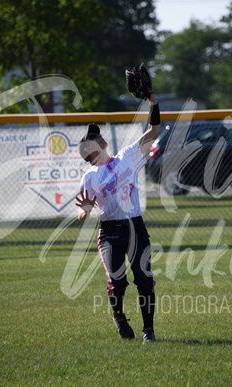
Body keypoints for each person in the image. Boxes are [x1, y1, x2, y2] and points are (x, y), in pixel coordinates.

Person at [75, 94, 161, 342]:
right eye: (94, 137)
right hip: (110, 233)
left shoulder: (127, 157)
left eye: (97, 134)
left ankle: (149, 331)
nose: (99, 136)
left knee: (144, 279)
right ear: (89, 149)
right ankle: (120, 318)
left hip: (136, 227)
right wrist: (87, 209)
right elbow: (82, 214)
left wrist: (153, 103)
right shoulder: (90, 177)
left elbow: (154, 130)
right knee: (118, 281)